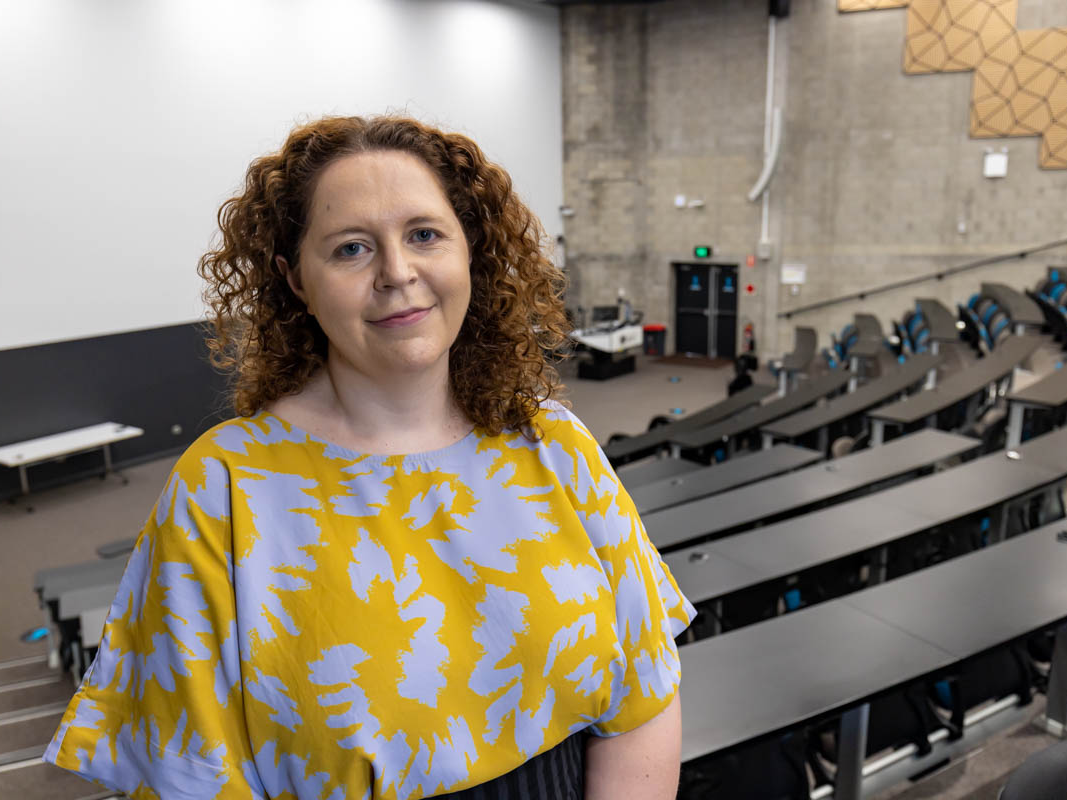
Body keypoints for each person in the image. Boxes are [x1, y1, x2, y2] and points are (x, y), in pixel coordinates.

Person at [43, 115, 696, 799]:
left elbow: (643, 694)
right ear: (296, 281)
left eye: (423, 235)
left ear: (468, 249)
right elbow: (191, 778)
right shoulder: (224, 488)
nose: (397, 272)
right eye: (351, 249)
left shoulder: (555, 444)